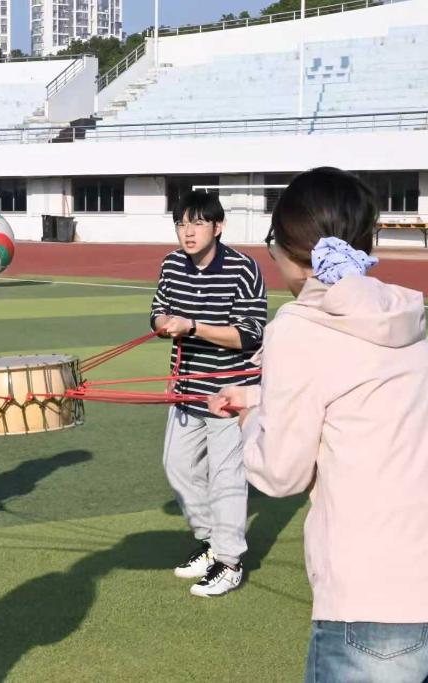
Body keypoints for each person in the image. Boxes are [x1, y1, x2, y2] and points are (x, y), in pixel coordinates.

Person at [209, 167, 428, 681]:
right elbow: (360, 396)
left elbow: (279, 473)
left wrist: (250, 418)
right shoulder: (401, 315)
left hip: (370, 601)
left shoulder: (299, 327)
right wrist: (258, 396)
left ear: (290, 249)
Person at [150, 189, 267, 597]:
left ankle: (229, 561)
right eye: (181, 223)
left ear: (218, 227)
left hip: (229, 394)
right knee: (177, 468)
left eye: (197, 223)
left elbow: (250, 335)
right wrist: (164, 323)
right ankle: (210, 541)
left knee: (225, 478)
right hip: (185, 390)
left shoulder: (243, 268)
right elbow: (157, 310)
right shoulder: (171, 264)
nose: (188, 231)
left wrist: (193, 327)